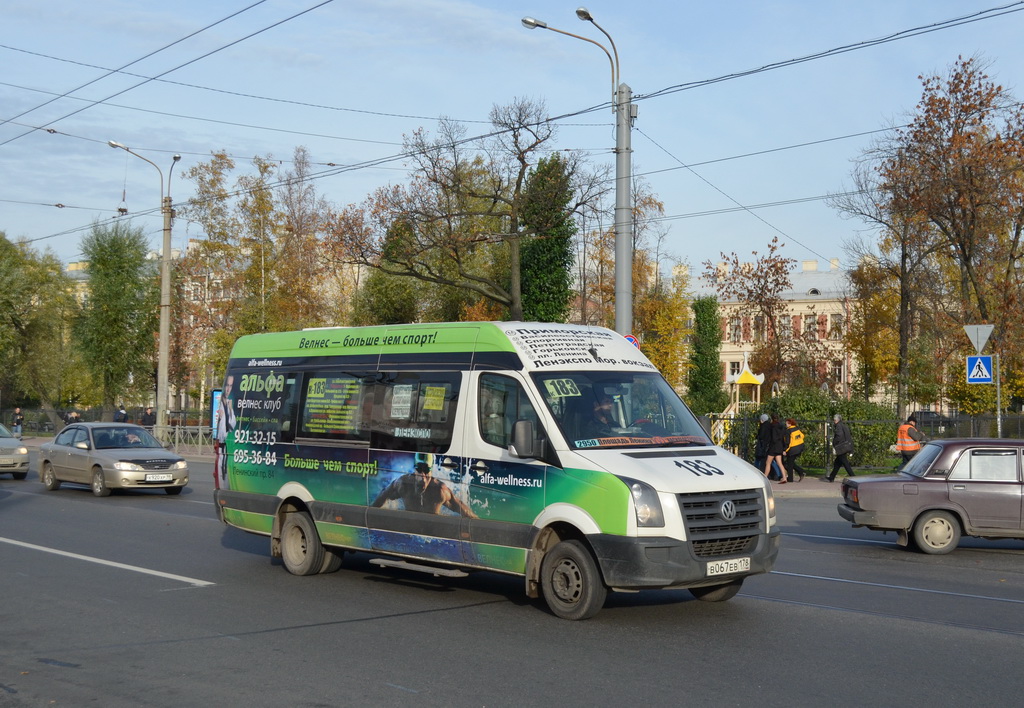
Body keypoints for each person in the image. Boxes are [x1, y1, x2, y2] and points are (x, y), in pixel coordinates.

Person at [372, 459, 477, 518]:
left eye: (426, 470)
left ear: (431, 471)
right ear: (414, 471)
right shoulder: (403, 484)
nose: (423, 476)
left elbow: (466, 512)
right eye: (419, 470)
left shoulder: (440, 490)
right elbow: (382, 496)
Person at [824, 413, 855, 482]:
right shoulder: (842, 425)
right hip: (843, 446)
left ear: (836, 420)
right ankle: (831, 477)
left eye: (834, 420)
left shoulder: (838, 426)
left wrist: (835, 444)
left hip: (841, 448)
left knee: (845, 463)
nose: (834, 421)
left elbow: (839, 436)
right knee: (837, 463)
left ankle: (853, 477)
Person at [764, 413, 789, 484]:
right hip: (779, 446)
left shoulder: (772, 426)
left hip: (773, 447)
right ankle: (784, 477)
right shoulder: (782, 427)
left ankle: (765, 477)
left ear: (772, 419)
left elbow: (773, 438)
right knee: (780, 463)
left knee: (768, 462)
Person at [784, 418, 807, 482]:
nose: (786, 425)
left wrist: (785, 450)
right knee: (790, 463)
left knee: (789, 464)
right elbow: (802, 436)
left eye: (786, 423)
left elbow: (787, 442)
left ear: (789, 423)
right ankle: (801, 472)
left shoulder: (788, 431)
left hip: (792, 449)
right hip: (800, 447)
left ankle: (791, 478)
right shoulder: (797, 428)